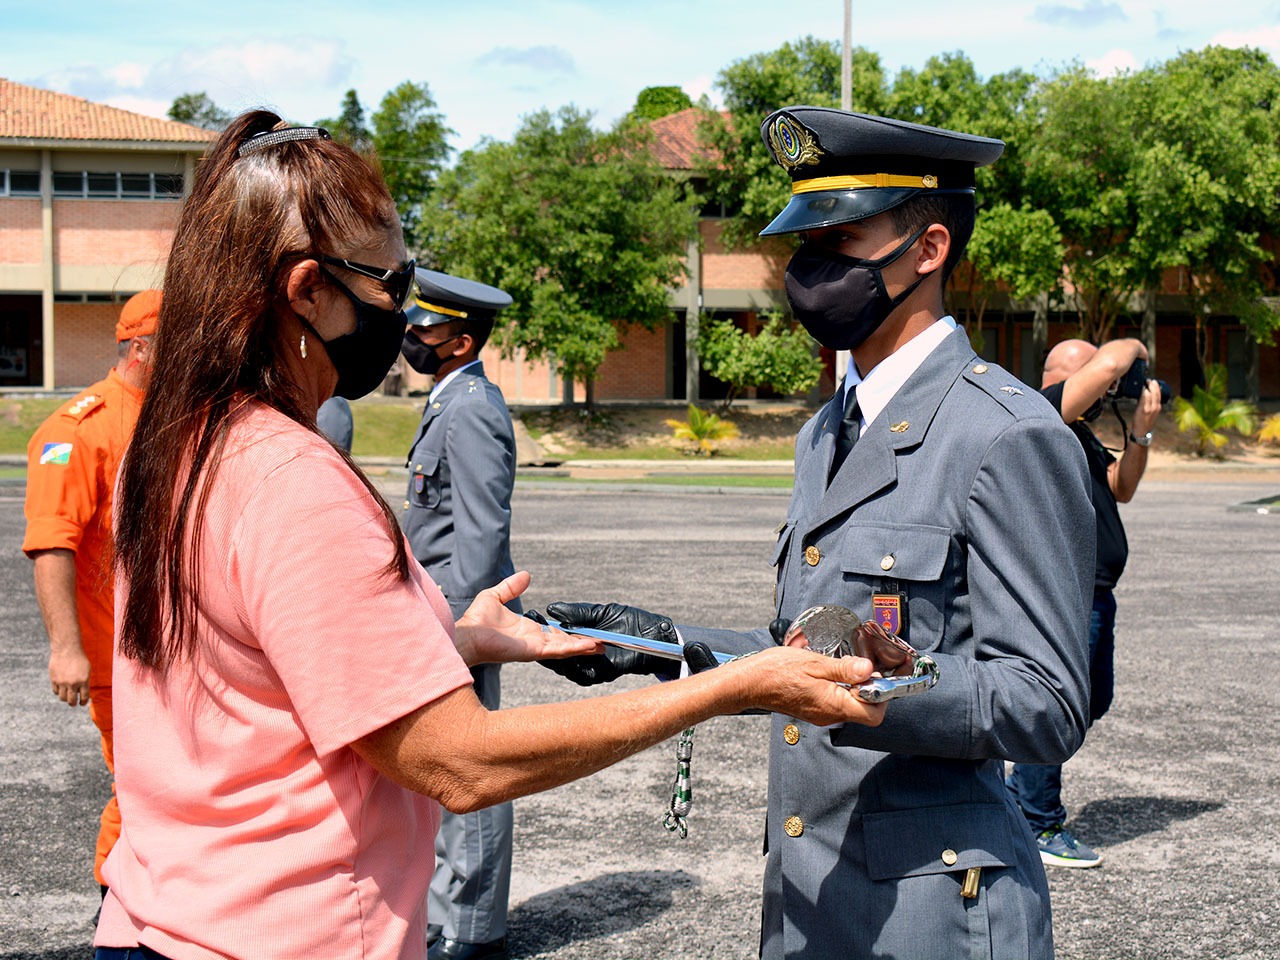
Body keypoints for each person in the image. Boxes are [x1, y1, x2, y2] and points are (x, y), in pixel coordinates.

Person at [93, 111, 887, 960]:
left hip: (160, 918)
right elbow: (459, 765)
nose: (399, 313)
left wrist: (453, 635)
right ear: (307, 292)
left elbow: (249, 675)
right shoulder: (294, 481)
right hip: (279, 934)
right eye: (387, 285)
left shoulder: (182, 445)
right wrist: (731, 688)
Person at [541, 107, 1096, 960]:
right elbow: (801, 646)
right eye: (804, 241)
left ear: (929, 249)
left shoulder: (1003, 434)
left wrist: (877, 688)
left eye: (841, 240)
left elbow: (1046, 702)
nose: (809, 268)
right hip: (810, 895)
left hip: (934, 912)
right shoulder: (826, 431)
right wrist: (668, 645)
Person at [1006, 337, 1163, 868]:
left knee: (1091, 703)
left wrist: (1140, 432)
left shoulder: (1081, 435)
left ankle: (1016, 793)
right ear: (1056, 376)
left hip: (1099, 593)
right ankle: (1037, 820)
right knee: (1056, 706)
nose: (1108, 386)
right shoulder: (1043, 413)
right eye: (1095, 375)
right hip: (1067, 594)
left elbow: (1122, 487)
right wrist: (1135, 349)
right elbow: (1117, 356)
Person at [400, 269, 519, 960]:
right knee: (441, 768)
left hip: (459, 620)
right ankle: (450, 913)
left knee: (468, 768)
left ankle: (473, 930)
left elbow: (479, 530)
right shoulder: (450, 399)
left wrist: (466, 629)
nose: (410, 336)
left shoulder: (471, 406)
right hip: (435, 613)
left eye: (424, 328)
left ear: (460, 341)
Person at [22, 288, 160, 891]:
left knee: (171, 783)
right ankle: (113, 904)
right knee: (141, 784)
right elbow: (53, 542)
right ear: (138, 348)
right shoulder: (78, 429)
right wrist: (65, 649)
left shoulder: (171, 416)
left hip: (166, 648)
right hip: (113, 654)